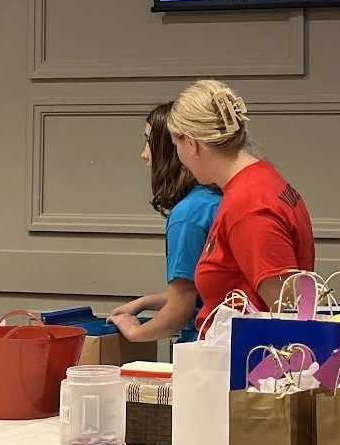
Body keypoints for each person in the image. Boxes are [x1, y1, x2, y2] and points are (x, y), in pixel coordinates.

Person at [165, 79, 315, 331]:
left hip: (247, 364)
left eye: (176, 145)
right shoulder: (263, 180)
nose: (179, 158)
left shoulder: (248, 205)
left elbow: (289, 313)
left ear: (192, 144)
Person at [107, 103, 222, 344]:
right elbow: (204, 292)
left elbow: (178, 314)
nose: (144, 154)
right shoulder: (216, 200)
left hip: (202, 352)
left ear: (176, 147)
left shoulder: (188, 216)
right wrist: (143, 303)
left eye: (149, 141)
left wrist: (134, 331)